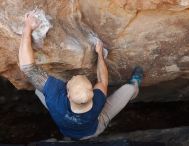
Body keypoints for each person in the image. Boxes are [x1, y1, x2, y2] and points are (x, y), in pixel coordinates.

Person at [19, 11, 144, 140]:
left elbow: (28, 68)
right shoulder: (98, 101)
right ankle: (135, 86)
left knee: (38, 91)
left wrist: (27, 27)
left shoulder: (55, 98)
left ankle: (69, 138)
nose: (74, 76)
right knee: (129, 89)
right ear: (93, 93)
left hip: (67, 130)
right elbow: (102, 79)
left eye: (72, 80)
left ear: (67, 94)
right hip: (94, 129)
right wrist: (100, 54)